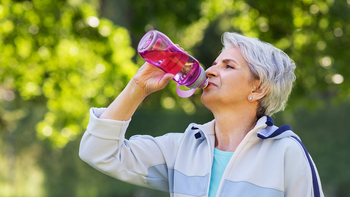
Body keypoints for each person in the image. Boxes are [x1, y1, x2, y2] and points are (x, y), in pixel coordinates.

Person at [79, 32, 325, 197]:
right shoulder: (182, 149)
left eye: (228, 66)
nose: (211, 71)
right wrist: (137, 87)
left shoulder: (285, 152)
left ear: (258, 88)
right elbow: (99, 152)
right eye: (215, 63)